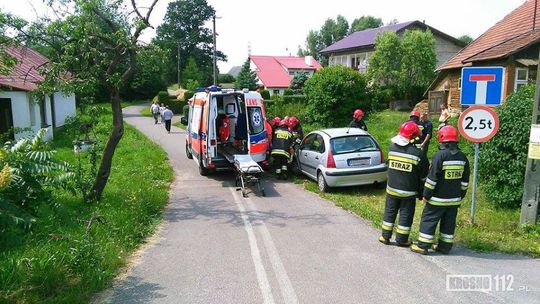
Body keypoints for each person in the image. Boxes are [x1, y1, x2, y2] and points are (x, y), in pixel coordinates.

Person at [411, 125, 470, 255]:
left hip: (437, 200)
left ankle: (423, 245)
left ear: (441, 138)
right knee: (448, 224)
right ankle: (444, 247)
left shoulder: (440, 156)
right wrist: (460, 196)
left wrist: (426, 195)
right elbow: (465, 181)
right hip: (454, 200)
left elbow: (431, 180)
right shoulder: (463, 157)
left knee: (428, 220)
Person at [379, 121, 429, 246]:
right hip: (409, 192)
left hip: (391, 189)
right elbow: (423, 177)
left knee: (390, 212)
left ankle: (385, 236)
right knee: (406, 215)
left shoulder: (391, 149)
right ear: (414, 137)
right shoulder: (419, 155)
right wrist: (422, 193)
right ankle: (402, 240)